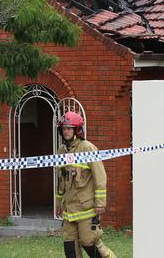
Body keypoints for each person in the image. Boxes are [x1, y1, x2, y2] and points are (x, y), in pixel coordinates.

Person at [55, 111, 117, 258]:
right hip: (69, 209)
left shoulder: (87, 148)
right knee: (70, 247)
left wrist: (100, 203)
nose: (66, 131)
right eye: (64, 128)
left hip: (86, 208)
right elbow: (60, 180)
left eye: (69, 128)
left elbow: (100, 177)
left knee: (89, 242)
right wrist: (58, 202)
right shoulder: (61, 151)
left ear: (77, 130)